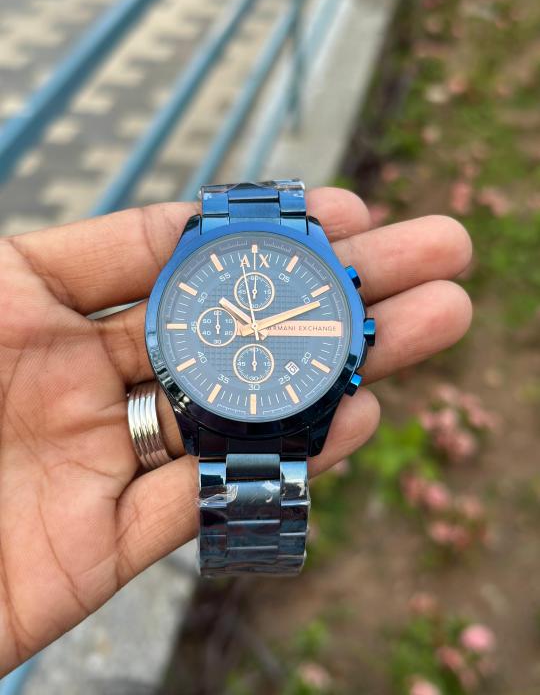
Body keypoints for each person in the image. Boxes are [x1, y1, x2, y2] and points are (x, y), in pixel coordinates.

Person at [0, 188, 472, 675]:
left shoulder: (304, 274)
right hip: (221, 413)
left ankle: (252, 555)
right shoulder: (186, 322)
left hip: (278, 412)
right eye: (248, 327)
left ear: (360, 332)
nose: (253, 331)